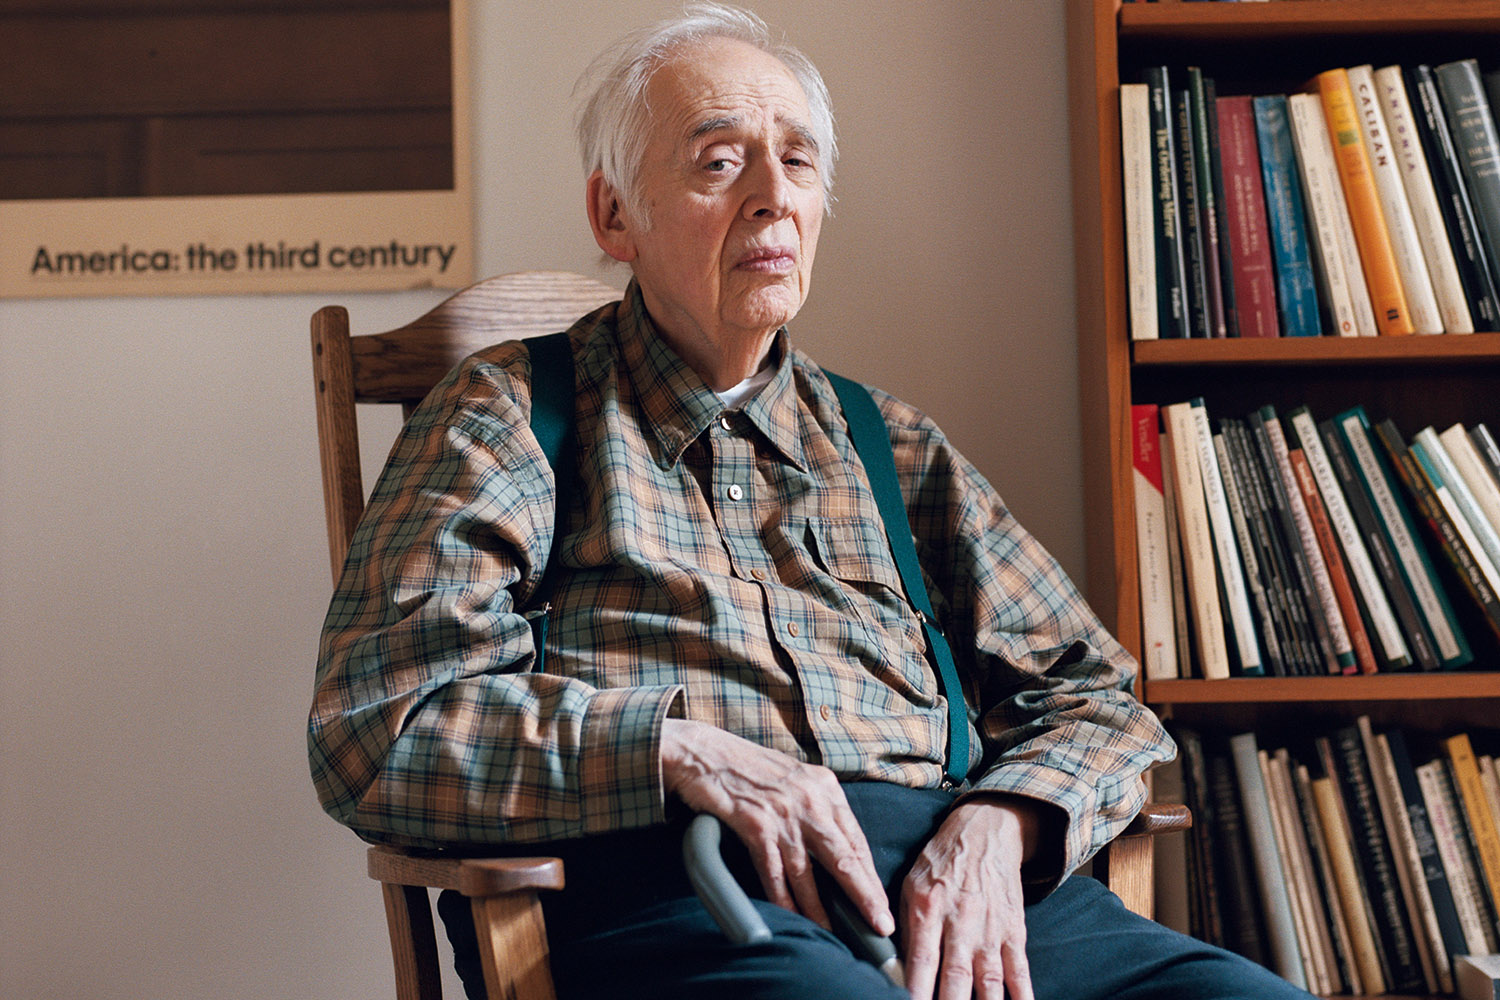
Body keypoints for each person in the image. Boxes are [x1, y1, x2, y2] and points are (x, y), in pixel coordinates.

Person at [309, 6, 1313, 999]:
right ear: (614, 215)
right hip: (682, 890)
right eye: (718, 162)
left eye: (798, 161)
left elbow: (1095, 697)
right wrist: (679, 749)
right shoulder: (510, 417)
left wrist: (1001, 823)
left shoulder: (893, 446)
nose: (773, 196)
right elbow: (378, 726)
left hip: (952, 885)